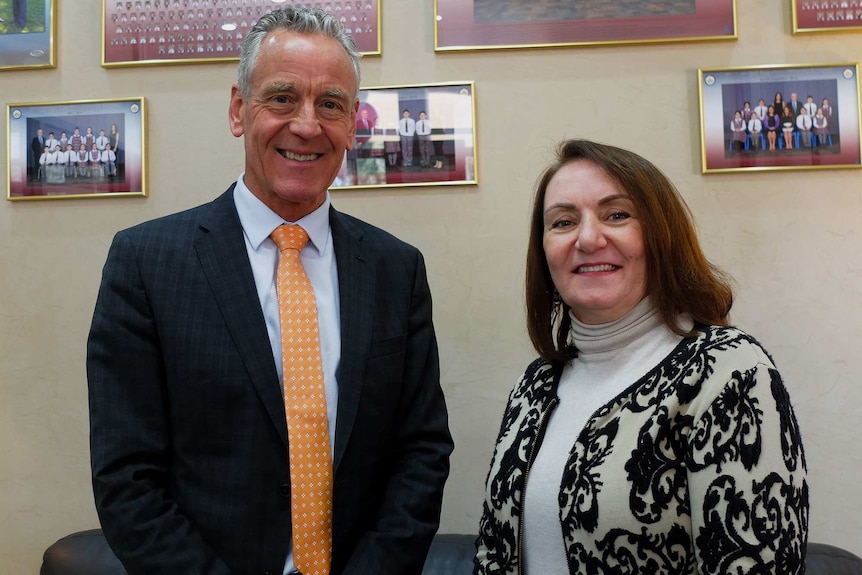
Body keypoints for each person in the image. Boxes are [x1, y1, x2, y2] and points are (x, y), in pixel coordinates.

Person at [88, 7, 452, 575]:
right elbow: (126, 476)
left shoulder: (395, 269)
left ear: (352, 123)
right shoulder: (146, 263)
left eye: (330, 104)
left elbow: (422, 450)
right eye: (282, 98)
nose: (307, 125)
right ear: (239, 110)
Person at [474, 139, 808, 575]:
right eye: (563, 222)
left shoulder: (729, 372)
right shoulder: (535, 384)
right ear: (544, 251)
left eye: (617, 215)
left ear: (660, 236)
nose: (588, 239)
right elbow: (492, 551)